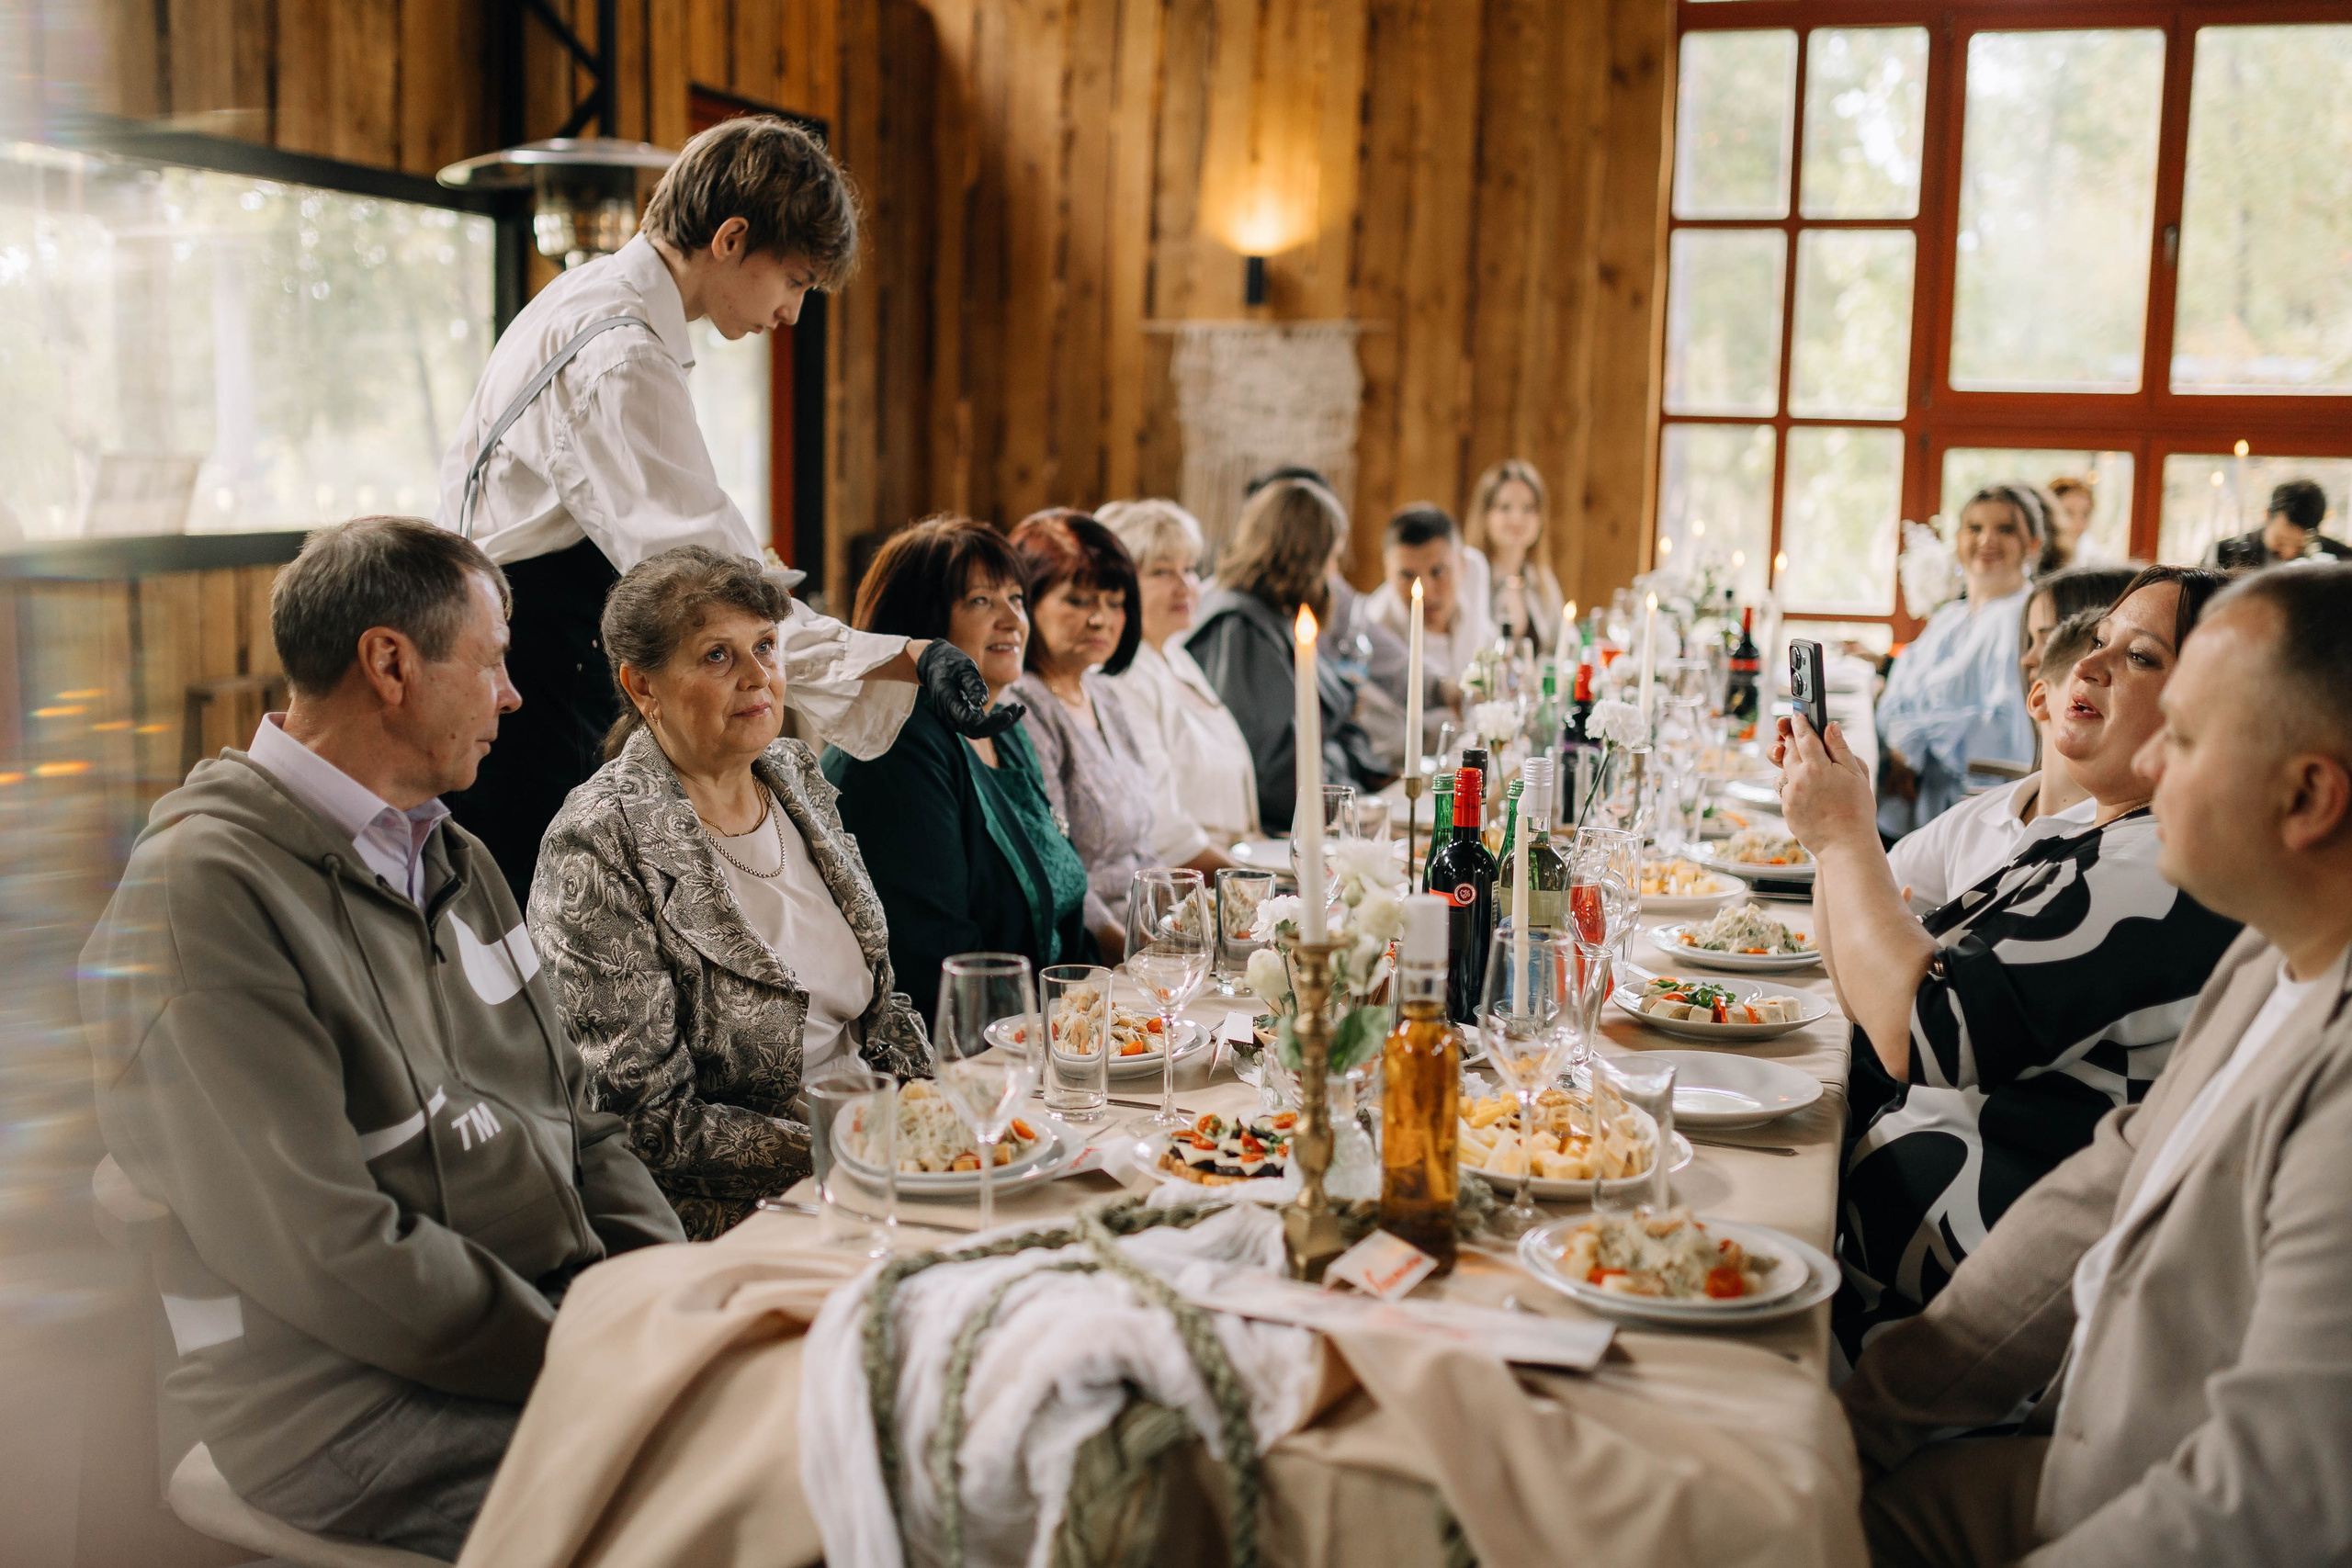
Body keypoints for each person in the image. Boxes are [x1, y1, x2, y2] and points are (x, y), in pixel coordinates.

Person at [79, 518, 683, 1562]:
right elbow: (329, 1250)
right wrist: (589, 1356)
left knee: (804, 1432)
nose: (514, 696)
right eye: (492, 662)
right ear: (390, 664)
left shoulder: (455, 856)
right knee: (709, 1504)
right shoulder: (204, 894)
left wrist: (666, 1303)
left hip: (536, 1331)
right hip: (338, 1404)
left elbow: (583, 1125)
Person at [1841, 562, 2352, 1567]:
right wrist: (1861, 1422)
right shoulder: (2264, 958)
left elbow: (2270, 1500)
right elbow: (2094, 1199)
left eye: (2189, 737)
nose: (2149, 762)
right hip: (2068, 1441)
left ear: (2305, 797)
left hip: (2134, 1493)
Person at [435, 114, 1008, 906]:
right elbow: (712, 590)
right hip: (532, 680)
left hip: (526, 654)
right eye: (796, 281)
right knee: (549, 947)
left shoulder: (589, 296)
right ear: (731, 238)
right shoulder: (621, 353)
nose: (792, 314)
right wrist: (904, 657)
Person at [1781, 566, 2244, 1366]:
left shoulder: (2161, 873)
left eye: (2141, 657)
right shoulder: (2089, 840)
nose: (2089, 667)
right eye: (2097, 643)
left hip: (1938, 1332)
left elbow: (1916, 1029)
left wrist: (1845, 838)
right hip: (1875, 1260)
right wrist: (1835, 831)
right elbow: (1865, 989)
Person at [528, 547, 931, 1241]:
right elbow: (644, 1120)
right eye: (718, 656)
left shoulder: (793, 774)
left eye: (766, 647)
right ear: (641, 685)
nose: (758, 678)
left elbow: (882, 1003)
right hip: (740, 1216)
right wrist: (858, 1146)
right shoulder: (596, 843)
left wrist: (933, 1111)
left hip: (889, 1159)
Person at [823, 518, 1092, 1022]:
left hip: (1046, 1029)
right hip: (965, 1055)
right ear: (923, 625)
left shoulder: (1001, 726)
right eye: (981, 601)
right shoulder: (900, 743)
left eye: (1016, 598)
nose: (1013, 619)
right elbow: (938, 965)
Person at [1186, 475, 1380, 834]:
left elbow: (1337, 726)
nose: (1335, 573)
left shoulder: (1278, 615)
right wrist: (1341, 762)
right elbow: (1278, 775)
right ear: (1307, 556)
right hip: (1270, 837)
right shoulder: (1240, 629)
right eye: (1332, 558)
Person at [1888, 606, 2104, 914]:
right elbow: (1866, 889)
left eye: (2139, 661)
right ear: (2040, 699)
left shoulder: (2113, 846)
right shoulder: (1982, 815)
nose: (2027, 659)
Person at [1009, 510, 1156, 953]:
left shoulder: (1103, 694)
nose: (1101, 620)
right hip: (1088, 951)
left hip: (1144, 936)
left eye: (1114, 603)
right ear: (1026, 603)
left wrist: (1185, 924)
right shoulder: (1023, 703)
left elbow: (1144, 847)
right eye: (1078, 601)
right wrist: (1136, 952)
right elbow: (1057, 868)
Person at [1096, 498, 1259, 862]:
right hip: (1181, 885)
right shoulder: (1120, 676)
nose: (1185, 585)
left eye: (1189, 569)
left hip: (1232, 859)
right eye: (1161, 572)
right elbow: (1163, 828)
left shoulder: (1174, 656)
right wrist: (1257, 886)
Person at [1876, 486, 2044, 837]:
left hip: (1967, 815)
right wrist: (1898, 748)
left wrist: (1913, 749)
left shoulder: (2025, 618)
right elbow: (1898, 692)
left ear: (2033, 544)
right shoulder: (1949, 616)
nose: (1987, 540)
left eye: (2006, 529)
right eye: (1975, 527)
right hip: (1905, 797)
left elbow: (2007, 733)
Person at [1364, 503, 1500, 768]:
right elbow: (1391, 745)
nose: (1424, 590)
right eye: (1406, 575)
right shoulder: (1374, 633)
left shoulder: (1475, 579)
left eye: (1438, 571)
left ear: (1461, 565)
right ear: (1386, 570)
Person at [1463, 457, 1564, 650]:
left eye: (1528, 508)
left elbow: (1566, 643)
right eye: (1505, 507)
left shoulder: (1541, 579)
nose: (1517, 519)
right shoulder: (1470, 577)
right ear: (1485, 515)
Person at [2208, 477, 2348, 570]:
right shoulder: (2225, 554)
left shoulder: (2340, 559)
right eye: (2280, 541)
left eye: (2300, 546)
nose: (2289, 553)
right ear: (2267, 516)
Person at [2034, 476, 2107, 574]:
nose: (2078, 523)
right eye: (2068, 513)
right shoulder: (2033, 559)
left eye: (2085, 514)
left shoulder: (2093, 561)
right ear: (2049, 515)